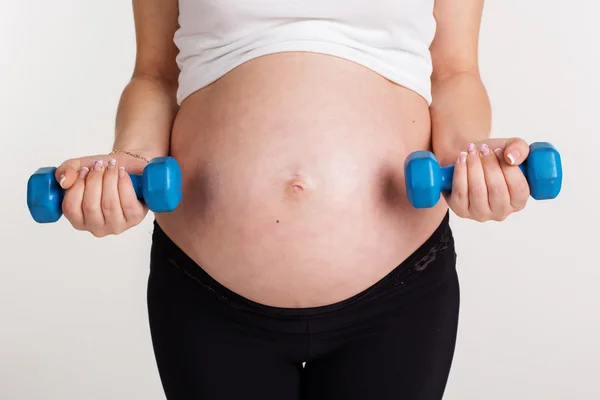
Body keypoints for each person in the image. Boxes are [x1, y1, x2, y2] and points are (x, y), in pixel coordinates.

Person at [54, 0, 532, 399]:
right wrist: (132, 157)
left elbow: (454, 73)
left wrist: (470, 159)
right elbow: (154, 75)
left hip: (398, 290)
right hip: (208, 295)